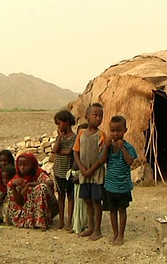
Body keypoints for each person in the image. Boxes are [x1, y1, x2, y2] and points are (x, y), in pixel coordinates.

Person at [73, 103, 108, 241]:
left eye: (100, 116)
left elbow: (102, 157)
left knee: (96, 201)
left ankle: (98, 230)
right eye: (95, 115)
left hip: (96, 174)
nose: (98, 118)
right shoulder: (81, 133)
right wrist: (82, 168)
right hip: (84, 173)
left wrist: (91, 170)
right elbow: (76, 152)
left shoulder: (101, 135)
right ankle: (90, 227)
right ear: (87, 117)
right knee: (87, 201)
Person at [103, 116, 137, 245]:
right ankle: (115, 233)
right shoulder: (109, 146)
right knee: (112, 211)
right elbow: (101, 161)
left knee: (122, 210)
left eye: (119, 131)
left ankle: (121, 235)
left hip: (123, 186)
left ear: (125, 130)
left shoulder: (128, 147)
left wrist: (122, 148)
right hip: (110, 185)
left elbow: (130, 162)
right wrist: (106, 147)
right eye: (113, 131)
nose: (115, 134)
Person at [6, 152, 58, 229]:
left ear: (32, 165)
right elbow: (19, 202)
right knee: (11, 188)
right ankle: (29, 220)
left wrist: (30, 184)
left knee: (41, 187)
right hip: (26, 211)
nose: (22, 168)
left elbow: (50, 183)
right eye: (20, 165)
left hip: (49, 207)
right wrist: (13, 186)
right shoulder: (17, 179)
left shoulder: (39, 173)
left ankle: (42, 221)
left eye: (26, 165)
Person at [51, 109, 76, 230]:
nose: (59, 126)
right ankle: (61, 221)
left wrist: (59, 151)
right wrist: (60, 138)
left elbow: (69, 152)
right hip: (58, 171)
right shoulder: (60, 138)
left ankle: (69, 221)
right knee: (60, 196)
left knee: (70, 196)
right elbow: (54, 150)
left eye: (59, 123)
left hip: (68, 172)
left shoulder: (74, 137)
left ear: (67, 122)